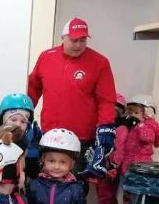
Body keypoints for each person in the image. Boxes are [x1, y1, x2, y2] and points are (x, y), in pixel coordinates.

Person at [27, 18, 117, 179]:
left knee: (76, 185)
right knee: (45, 182)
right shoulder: (46, 57)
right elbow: (33, 88)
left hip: (81, 139)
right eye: (74, 40)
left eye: (82, 40)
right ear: (63, 38)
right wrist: (24, 113)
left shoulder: (100, 62)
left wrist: (106, 127)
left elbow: (106, 100)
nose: (78, 45)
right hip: (50, 135)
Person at [113, 94, 159, 204]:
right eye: (130, 112)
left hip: (139, 167)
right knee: (128, 198)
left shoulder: (148, 126)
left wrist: (140, 124)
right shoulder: (132, 126)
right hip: (129, 166)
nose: (132, 116)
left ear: (148, 113)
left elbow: (148, 138)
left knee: (136, 199)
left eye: (136, 112)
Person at [91, 94, 127, 204]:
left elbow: (119, 149)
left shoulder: (121, 129)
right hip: (100, 164)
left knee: (106, 193)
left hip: (110, 166)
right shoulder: (102, 127)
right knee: (104, 193)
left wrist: (114, 165)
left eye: (115, 109)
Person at [0, 93, 43, 180]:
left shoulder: (28, 146)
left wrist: (32, 154)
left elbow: (34, 175)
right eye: (13, 119)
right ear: (2, 120)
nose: (18, 124)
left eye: (23, 121)